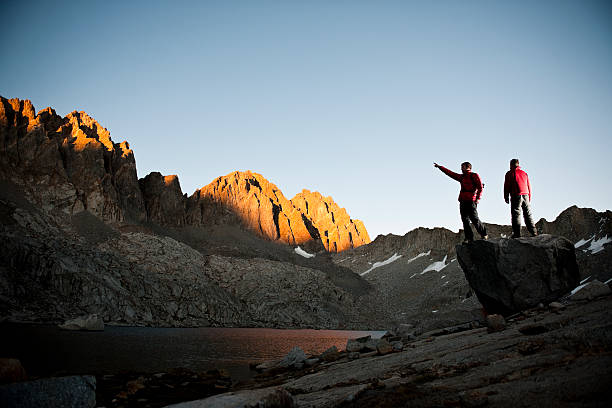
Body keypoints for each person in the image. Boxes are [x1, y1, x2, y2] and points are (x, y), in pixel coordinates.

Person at [434, 162, 488, 243]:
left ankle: (484, 234)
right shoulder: (461, 177)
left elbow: (480, 187)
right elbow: (450, 173)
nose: (461, 169)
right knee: (465, 220)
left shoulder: (474, 175)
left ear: (468, 167)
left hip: (471, 201)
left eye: (462, 167)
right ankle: (469, 238)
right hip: (463, 201)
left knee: (474, 219)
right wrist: (440, 167)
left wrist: (477, 199)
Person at [504, 159, 537, 238]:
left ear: (511, 165)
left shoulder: (509, 173)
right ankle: (534, 232)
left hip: (516, 195)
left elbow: (506, 186)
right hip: (525, 194)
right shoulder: (524, 173)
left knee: (516, 214)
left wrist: (506, 197)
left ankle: (517, 234)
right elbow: (528, 186)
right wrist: (529, 197)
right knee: (528, 214)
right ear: (518, 165)